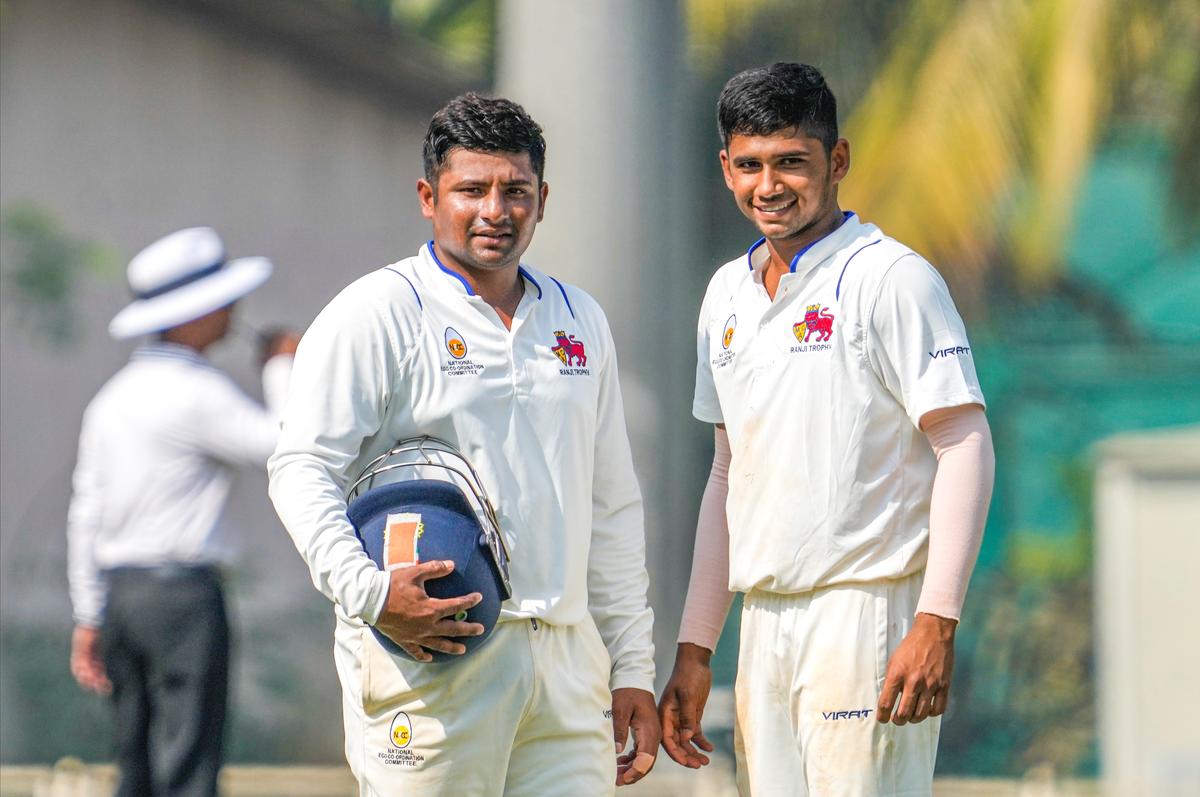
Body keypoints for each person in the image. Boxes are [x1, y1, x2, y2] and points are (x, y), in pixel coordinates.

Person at [267, 93, 659, 796]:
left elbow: (611, 504)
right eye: (471, 189)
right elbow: (300, 467)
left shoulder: (579, 317)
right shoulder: (378, 311)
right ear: (428, 196)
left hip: (567, 662)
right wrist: (370, 592)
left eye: (516, 191)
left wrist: (631, 665)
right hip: (433, 655)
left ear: (543, 198)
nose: (495, 210)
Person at [658, 63, 996, 796]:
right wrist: (696, 646)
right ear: (725, 168)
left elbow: (965, 443)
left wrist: (936, 620)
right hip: (765, 622)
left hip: (868, 614)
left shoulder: (891, 278)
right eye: (749, 165)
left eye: (791, 163)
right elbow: (727, 473)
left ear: (836, 161)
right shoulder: (726, 293)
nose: (769, 186)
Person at [67, 227, 299, 796]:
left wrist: (88, 613)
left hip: (122, 595)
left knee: (136, 762)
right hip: (182, 600)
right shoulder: (195, 390)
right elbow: (284, 444)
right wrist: (282, 368)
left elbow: (85, 512)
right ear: (191, 315)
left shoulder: (112, 397)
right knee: (189, 765)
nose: (231, 311)